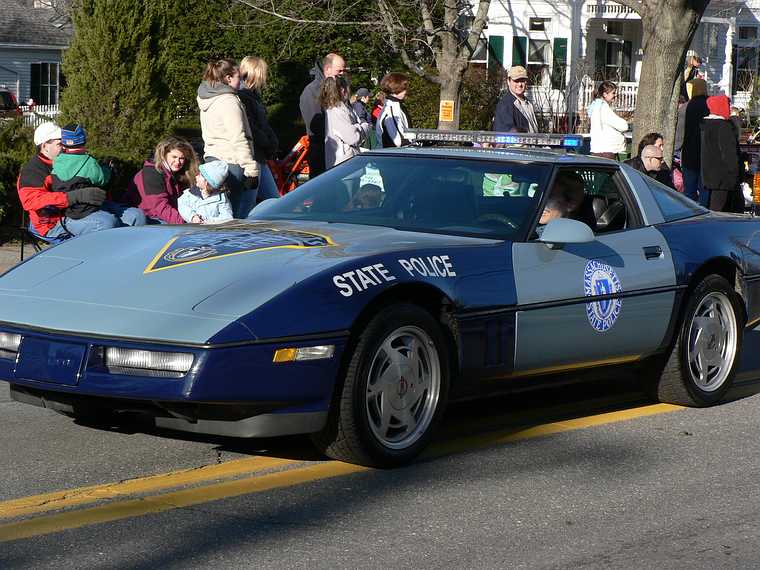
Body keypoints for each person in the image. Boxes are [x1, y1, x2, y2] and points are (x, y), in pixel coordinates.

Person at [48, 124, 146, 236]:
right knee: (136, 216)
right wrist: (107, 168)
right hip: (89, 210)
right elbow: (103, 179)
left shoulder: (57, 162)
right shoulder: (89, 162)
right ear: (83, 141)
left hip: (70, 212)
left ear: (63, 143)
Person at [197, 58, 259, 218]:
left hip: (212, 161)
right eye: (239, 77)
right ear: (228, 78)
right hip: (232, 163)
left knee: (219, 214)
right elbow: (238, 138)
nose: (242, 80)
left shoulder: (207, 98)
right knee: (236, 217)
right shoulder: (228, 101)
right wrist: (251, 169)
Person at [126, 136, 199, 224]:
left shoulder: (178, 173)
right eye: (174, 157)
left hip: (168, 215)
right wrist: (185, 223)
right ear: (164, 155)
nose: (177, 162)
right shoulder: (152, 173)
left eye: (181, 158)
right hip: (150, 217)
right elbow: (160, 207)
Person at [238, 56, 279, 202]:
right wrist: (268, 143)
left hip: (259, 155)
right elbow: (251, 127)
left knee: (272, 200)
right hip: (253, 156)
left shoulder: (252, 96)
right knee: (249, 203)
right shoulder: (244, 97)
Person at [299, 53, 346, 178]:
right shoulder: (312, 91)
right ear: (327, 69)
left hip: (338, 151)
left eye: (343, 70)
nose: (342, 73)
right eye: (339, 70)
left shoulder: (338, 87)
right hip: (321, 153)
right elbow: (315, 126)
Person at [701, 94, 743, 213]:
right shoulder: (724, 126)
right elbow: (729, 154)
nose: (729, 108)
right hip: (724, 178)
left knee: (715, 207)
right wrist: (735, 172)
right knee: (723, 211)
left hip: (710, 175)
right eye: (727, 105)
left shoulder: (706, 125)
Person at [321, 76, 371, 168]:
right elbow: (353, 137)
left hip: (346, 162)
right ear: (342, 90)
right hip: (344, 165)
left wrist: (357, 127)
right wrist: (364, 127)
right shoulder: (337, 110)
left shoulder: (342, 108)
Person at [681, 78, 710, 205]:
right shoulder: (709, 104)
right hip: (705, 152)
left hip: (689, 151)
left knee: (689, 190)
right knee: (704, 189)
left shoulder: (687, 107)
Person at [178, 160, 233, 224]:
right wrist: (192, 217)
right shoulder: (190, 194)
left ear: (207, 182)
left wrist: (208, 222)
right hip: (193, 230)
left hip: (211, 231)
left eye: (200, 175)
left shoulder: (221, 199)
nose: (196, 176)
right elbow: (182, 205)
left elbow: (227, 217)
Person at [587, 81, 628, 159]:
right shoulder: (603, 108)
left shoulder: (596, 107)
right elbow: (623, 126)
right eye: (613, 93)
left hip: (599, 150)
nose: (615, 95)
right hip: (606, 151)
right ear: (605, 94)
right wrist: (625, 123)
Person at [493, 65, 538, 133]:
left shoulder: (528, 103)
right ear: (508, 81)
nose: (520, 84)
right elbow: (504, 135)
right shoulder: (505, 105)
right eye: (516, 81)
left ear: (526, 82)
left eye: (522, 80)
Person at [376, 72, 411, 148]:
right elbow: (398, 140)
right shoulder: (391, 108)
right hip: (394, 155)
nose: (406, 91)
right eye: (404, 88)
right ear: (397, 88)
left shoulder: (395, 106)